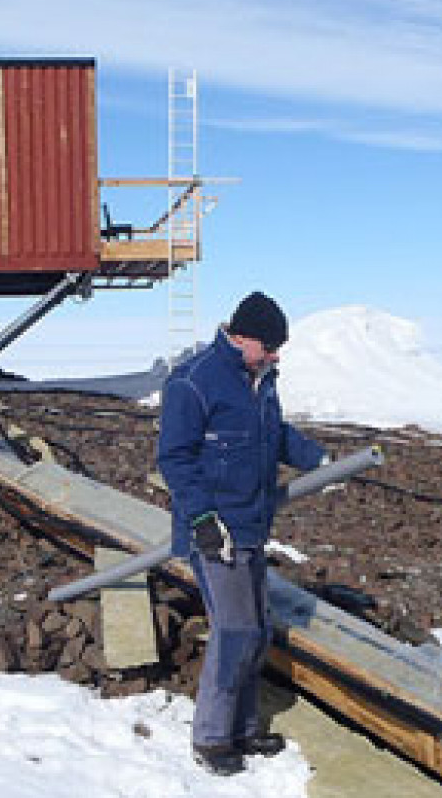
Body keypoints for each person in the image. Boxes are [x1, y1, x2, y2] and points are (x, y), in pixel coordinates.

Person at [157, 291, 326, 776]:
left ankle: (246, 727)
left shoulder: (261, 381)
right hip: (215, 532)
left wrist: (318, 459)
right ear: (243, 337)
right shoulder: (193, 382)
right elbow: (175, 459)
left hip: (252, 527)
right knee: (233, 631)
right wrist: (203, 522)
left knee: (257, 631)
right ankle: (212, 737)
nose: (275, 357)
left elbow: (275, 434)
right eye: (270, 347)